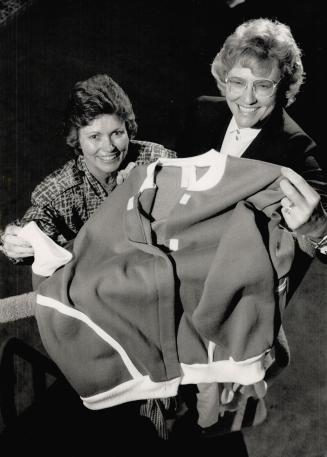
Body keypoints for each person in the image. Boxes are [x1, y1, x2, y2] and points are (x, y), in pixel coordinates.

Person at [177, 18, 327, 258]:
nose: (247, 100)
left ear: (282, 86)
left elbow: (322, 238)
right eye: (237, 82)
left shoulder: (298, 147)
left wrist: (320, 230)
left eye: (263, 86)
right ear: (225, 79)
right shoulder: (201, 111)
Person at [0, 73, 176, 262]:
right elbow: (35, 224)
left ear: (128, 130)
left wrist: (142, 188)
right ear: (77, 140)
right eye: (94, 137)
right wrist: (13, 239)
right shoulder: (60, 189)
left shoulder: (157, 159)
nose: (109, 147)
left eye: (117, 133)